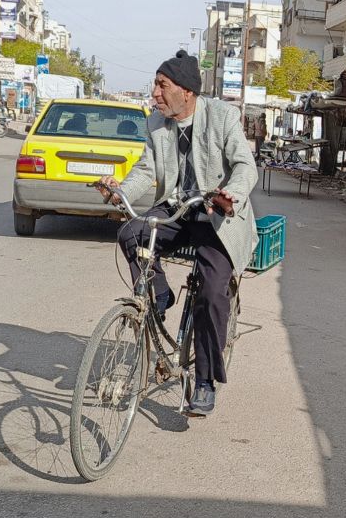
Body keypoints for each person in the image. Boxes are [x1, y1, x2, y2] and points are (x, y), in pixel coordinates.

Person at [98, 50, 258, 416]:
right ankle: (159, 295)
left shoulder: (222, 116)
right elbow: (146, 169)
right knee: (131, 233)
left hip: (218, 214)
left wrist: (230, 194)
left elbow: (245, 165)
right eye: (155, 85)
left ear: (185, 91)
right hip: (179, 209)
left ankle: (204, 381)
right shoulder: (157, 123)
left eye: (161, 85)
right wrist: (120, 189)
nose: (154, 93)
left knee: (211, 293)